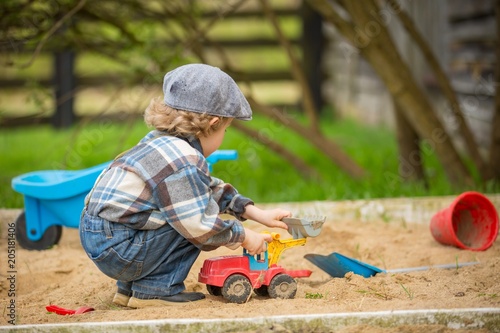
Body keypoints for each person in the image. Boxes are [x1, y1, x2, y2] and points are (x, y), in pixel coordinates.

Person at [79, 63, 292, 308]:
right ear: (213, 124)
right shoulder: (184, 162)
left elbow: (207, 189)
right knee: (189, 223)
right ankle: (156, 290)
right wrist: (243, 236)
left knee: (178, 209)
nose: (223, 136)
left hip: (100, 237)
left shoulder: (160, 142)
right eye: (225, 129)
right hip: (119, 249)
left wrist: (258, 214)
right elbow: (198, 223)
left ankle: (128, 290)